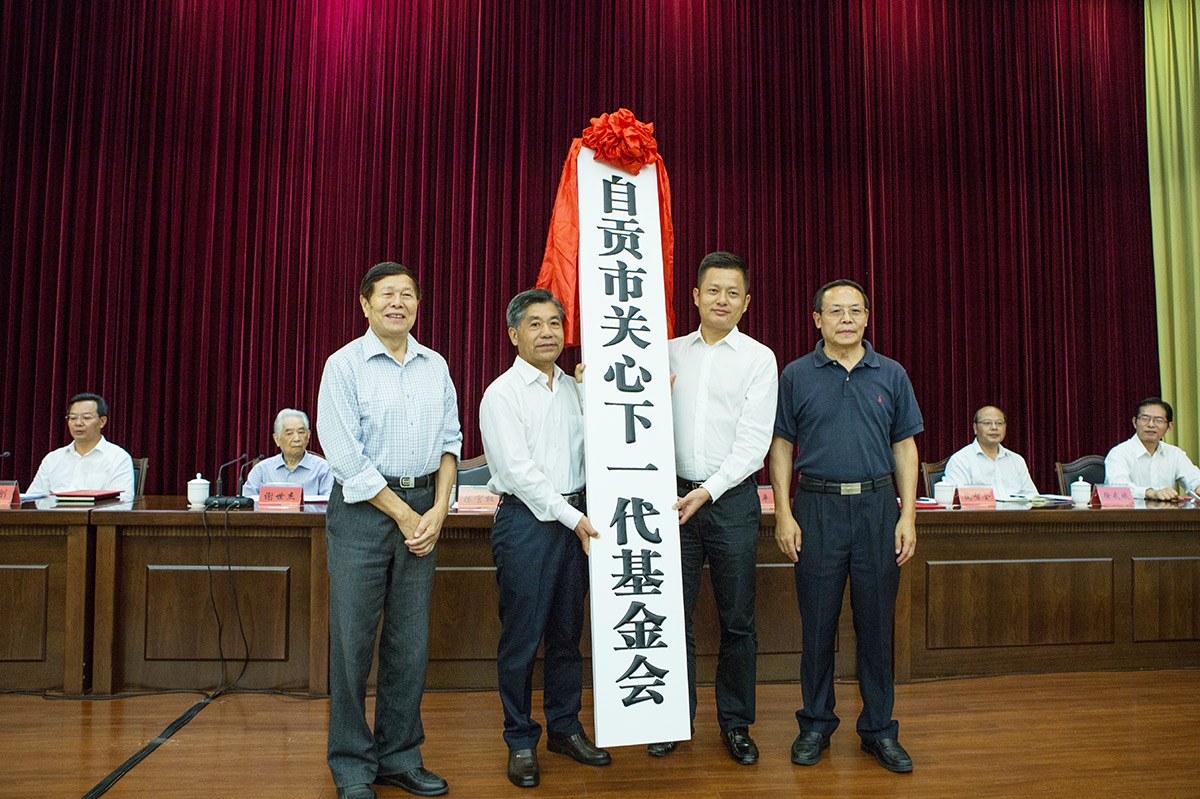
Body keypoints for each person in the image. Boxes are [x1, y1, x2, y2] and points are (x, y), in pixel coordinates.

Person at [316, 262, 461, 799]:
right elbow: (345, 456)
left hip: (425, 507)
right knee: (353, 644)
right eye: (386, 295)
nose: (398, 303)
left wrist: (439, 508)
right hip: (365, 514)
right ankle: (352, 765)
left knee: (409, 643)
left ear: (418, 305)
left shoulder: (435, 365)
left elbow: (451, 441)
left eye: (407, 295)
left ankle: (399, 756)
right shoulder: (343, 365)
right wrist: (405, 515)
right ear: (365, 304)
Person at [769, 278, 922, 774]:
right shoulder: (796, 374)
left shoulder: (891, 373)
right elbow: (781, 446)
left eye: (855, 310)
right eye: (835, 311)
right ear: (817, 320)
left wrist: (907, 515)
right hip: (816, 509)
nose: (846, 319)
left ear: (867, 317)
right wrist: (784, 513)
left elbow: (905, 448)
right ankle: (815, 724)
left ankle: (879, 730)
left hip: (878, 509)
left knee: (877, 627)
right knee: (817, 624)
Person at [647, 252, 777, 763]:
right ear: (696, 297)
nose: (722, 300)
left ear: (746, 303)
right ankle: (673, 719)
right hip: (670, 499)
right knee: (672, 616)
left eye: (733, 293)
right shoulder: (665, 353)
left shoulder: (759, 359)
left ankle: (736, 724)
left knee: (737, 619)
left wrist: (710, 490)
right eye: (713, 291)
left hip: (731, 501)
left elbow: (754, 444)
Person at [479, 288, 607, 789]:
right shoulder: (502, 394)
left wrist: (594, 394)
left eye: (555, 323)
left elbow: (600, 449)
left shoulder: (576, 389)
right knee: (522, 638)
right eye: (535, 324)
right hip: (528, 524)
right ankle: (520, 739)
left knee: (567, 636)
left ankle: (565, 728)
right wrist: (572, 516)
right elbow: (519, 472)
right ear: (515, 335)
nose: (548, 332)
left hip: (576, 521)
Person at [27, 393, 135, 501]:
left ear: (102, 421)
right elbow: (32, 499)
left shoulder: (118, 458)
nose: (78, 423)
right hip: (53, 512)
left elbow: (122, 503)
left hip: (95, 512)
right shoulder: (53, 459)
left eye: (86, 418)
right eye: (73, 418)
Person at [1104, 397, 1200, 501]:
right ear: (1135, 422)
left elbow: (1193, 478)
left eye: (1158, 420)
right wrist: (1150, 493)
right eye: (1145, 419)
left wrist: (1197, 487)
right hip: (1129, 511)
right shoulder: (1119, 453)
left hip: (1167, 511)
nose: (1151, 424)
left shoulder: (1175, 454)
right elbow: (1117, 488)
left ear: (1169, 427)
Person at [937, 406, 1037, 498]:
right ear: (975, 428)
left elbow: (1032, 497)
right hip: (979, 512)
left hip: (1016, 512)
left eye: (999, 423)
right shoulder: (960, 460)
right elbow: (959, 500)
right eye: (987, 423)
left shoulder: (1017, 460)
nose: (994, 427)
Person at [241, 408, 334, 497]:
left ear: (308, 435)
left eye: (301, 432)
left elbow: (331, 504)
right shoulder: (262, 470)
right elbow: (247, 502)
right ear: (277, 439)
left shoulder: (323, 469)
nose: (297, 439)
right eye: (289, 433)